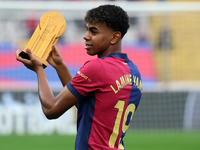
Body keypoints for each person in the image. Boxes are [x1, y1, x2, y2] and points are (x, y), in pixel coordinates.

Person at [16, 4, 142, 150]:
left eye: (93, 32)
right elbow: (88, 106)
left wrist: (39, 69)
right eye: (87, 29)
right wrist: (60, 66)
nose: (86, 36)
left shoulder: (98, 67)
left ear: (115, 37)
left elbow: (51, 109)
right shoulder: (133, 71)